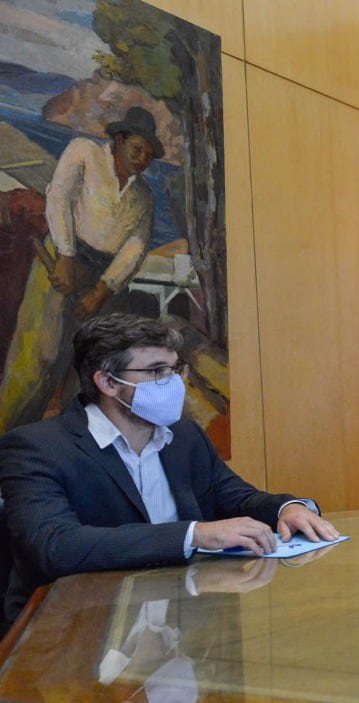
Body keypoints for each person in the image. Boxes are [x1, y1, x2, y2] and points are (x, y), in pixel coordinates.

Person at [0, 313, 341, 623]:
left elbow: (234, 496)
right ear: (108, 383)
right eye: (156, 371)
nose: (174, 382)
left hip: (178, 617)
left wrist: (287, 507)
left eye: (176, 369)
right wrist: (194, 534)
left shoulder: (184, 436)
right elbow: (56, 546)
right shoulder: (37, 448)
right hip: (75, 632)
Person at [0, 105, 166, 433]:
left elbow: (134, 249)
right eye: (137, 149)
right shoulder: (83, 152)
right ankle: (8, 433)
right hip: (65, 256)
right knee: (39, 356)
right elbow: (59, 198)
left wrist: (101, 291)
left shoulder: (143, 197)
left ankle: (70, 444)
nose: (142, 160)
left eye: (148, 155)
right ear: (119, 140)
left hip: (104, 280)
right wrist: (64, 256)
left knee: (90, 369)